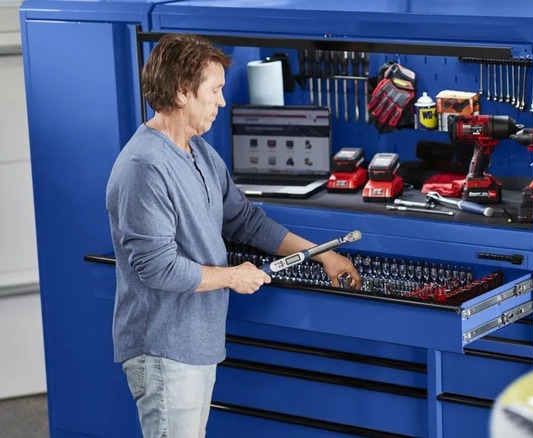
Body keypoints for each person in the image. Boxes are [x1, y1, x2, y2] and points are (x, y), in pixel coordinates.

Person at [105, 33, 361, 438]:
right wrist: (232, 276)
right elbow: (157, 269)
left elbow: (245, 220)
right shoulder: (144, 167)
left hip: (196, 344)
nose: (223, 102)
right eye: (216, 90)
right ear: (181, 92)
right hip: (164, 348)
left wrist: (320, 254)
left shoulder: (200, 152)